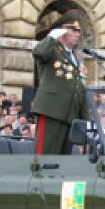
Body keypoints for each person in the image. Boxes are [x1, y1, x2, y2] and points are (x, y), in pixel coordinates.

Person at [32, 9, 88, 155]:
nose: (77, 34)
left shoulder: (74, 57)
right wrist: (52, 36)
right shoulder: (52, 49)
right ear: (63, 31)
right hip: (51, 111)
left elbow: (79, 90)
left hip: (69, 116)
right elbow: (38, 52)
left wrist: (85, 122)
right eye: (73, 30)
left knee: (62, 162)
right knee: (44, 157)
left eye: (79, 31)